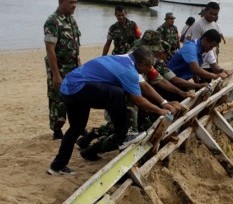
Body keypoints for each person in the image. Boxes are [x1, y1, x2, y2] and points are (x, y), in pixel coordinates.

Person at [47, 46, 173, 175]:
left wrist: (164, 103)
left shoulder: (124, 58)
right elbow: (137, 100)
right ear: (142, 63)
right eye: (149, 67)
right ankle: (124, 136)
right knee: (117, 94)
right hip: (78, 88)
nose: (149, 70)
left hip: (68, 88)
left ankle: (57, 166)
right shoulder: (128, 70)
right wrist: (159, 111)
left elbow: (144, 86)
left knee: (77, 128)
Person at [44, 0, 81, 140]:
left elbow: (75, 46)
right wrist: (56, 75)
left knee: (75, 97)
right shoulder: (53, 21)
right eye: (71, 2)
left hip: (73, 68)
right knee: (57, 99)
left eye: (76, 2)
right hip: (59, 67)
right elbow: (50, 49)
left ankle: (76, 127)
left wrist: (79, 64)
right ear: (61, 2)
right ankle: (57, 129)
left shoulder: (71, 20)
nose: (74, 5)